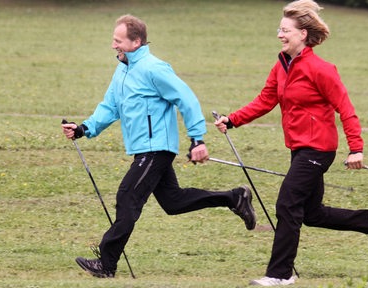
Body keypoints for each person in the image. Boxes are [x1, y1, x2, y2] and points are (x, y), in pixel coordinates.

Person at [61, 14, 256, 278]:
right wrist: (84, 128)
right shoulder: (122, 68)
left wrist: (197, 139)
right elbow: (110, 106)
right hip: (143, 148)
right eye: (113, 40)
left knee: (127, 196)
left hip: (156, 148)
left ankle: (106, 264)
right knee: (173, 202)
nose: (113, 45)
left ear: (136, 41)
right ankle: (234, 197)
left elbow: (186, 99)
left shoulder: (154, 68)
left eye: (118, 41)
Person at [214, 0, 368, 286]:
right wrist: (232, 119)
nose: (280, 34)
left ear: (302, 34)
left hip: (318, 149)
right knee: (311, 213)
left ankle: (279, 274)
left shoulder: (321, 69)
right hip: (299, 148)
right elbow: (266, 100)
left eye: (285, 30)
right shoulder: (282, 65)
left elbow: (345, 108)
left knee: (287, 204)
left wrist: (356, 148)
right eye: (279, 29)